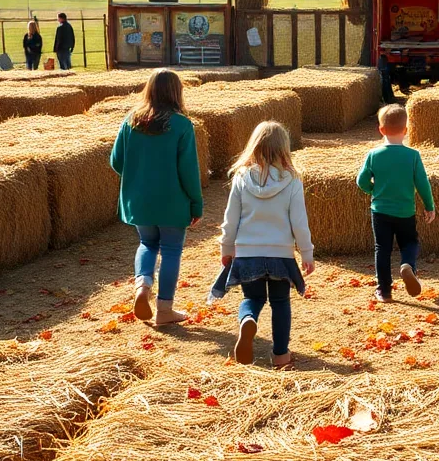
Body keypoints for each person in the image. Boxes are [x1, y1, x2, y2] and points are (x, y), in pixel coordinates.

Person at [109, 69, 203, 327]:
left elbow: (116, 161)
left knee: (147, 244)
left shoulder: (130, 122)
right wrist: (196, 203)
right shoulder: (182, 125)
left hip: (139, 201)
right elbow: (188, 171)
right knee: (171, 250)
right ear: (176, 92)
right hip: (172, 201)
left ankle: (142, 285)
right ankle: (164, 310)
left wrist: (138, 176)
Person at [219, 121, 315, 366]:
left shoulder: (241, 178)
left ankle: (247, 320)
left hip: (247, 253)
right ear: (284, 148)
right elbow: (299, 221)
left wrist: (227, 247)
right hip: (280, 254)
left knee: (252, 299)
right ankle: (281, 354)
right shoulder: (292, 180)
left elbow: (231, 218)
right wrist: (306, 252)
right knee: (280, 302)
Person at [357, 103, 436, 303]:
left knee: (381, 249)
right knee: (410, 243)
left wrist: (372, 190)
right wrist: (429, 206)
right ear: (406, 130)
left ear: (381, 130)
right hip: (405, 211)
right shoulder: (413, 156)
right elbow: (422, 184)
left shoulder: (374, 155)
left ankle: (384, 291)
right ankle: (407, 265)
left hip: (380, 211)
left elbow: (361, 181)